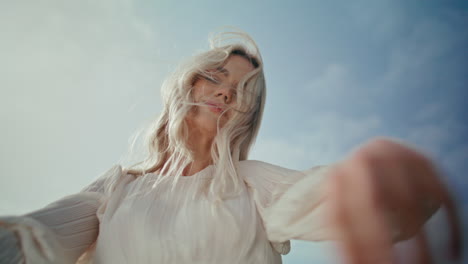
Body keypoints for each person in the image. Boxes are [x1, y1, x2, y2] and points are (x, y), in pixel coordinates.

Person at [0, 31, 462, 264]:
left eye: (241, 91)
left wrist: (375, 181)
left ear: (246, 114)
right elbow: (32, 238)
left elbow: (328, 201)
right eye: (216, 77)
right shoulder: (115, 189)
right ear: (187, 83)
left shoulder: (249, 183)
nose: (224, 93)